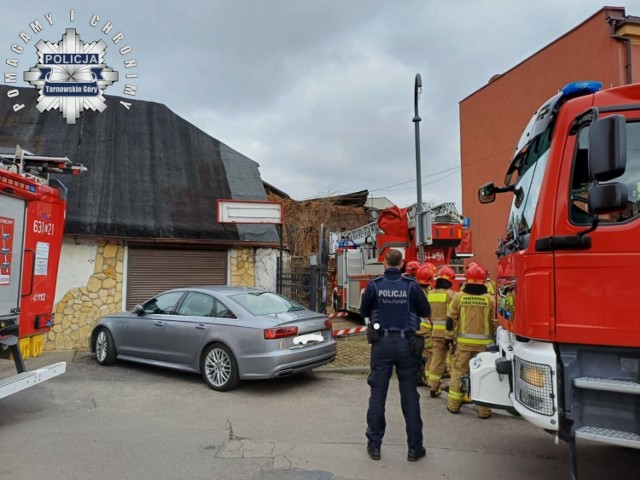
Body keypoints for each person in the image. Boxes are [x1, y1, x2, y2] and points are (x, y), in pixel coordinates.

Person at [360, 248, 431, 462]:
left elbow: (364, 312)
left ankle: (374, 446)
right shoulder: (411, 286)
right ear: (401, 264)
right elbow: (425, 310)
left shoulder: (374, 285)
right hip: (406, 344)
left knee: (377, 395)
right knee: (409, 395)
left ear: (384, 263)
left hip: (381, 343)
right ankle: (414, 448)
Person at [445, 263, 496, 418]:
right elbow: (495, 322)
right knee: (484, 375)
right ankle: (484, 411)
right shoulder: (490, 299)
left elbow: (450, 320)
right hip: (485, 348)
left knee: (459, 372)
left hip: (464, 345)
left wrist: (449, 338)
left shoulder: (459, 297)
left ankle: (453, 406)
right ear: (483, 281)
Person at [424, 265, 457, 398]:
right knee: (455, 361)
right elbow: (454, 315)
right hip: (450, 333)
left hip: (435, 333)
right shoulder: (451, 295)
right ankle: (455, 387)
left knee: (437, 360)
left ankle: (433, 386)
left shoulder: (430, 294)